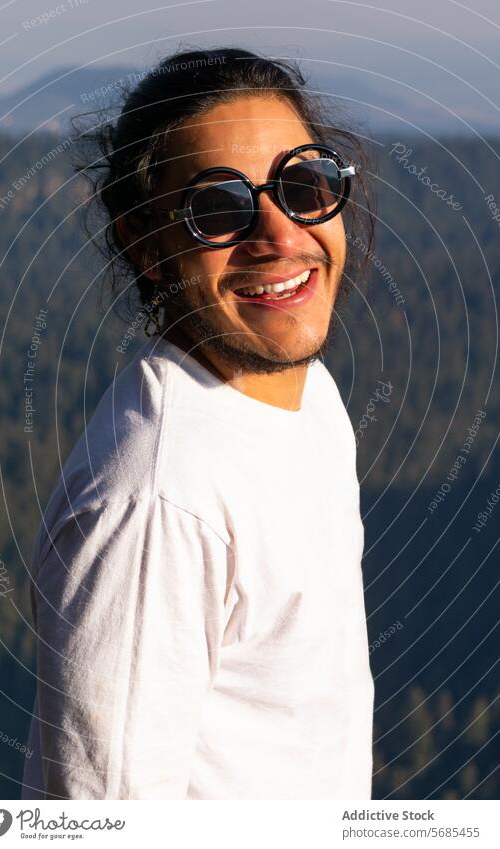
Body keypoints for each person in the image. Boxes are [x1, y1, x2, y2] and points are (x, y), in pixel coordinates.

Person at [22, 47, 376, 800]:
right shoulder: (157, 502)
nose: (280, 235)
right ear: (146, 247)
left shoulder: (309, 395)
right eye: (217, 208)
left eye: (304, 183)